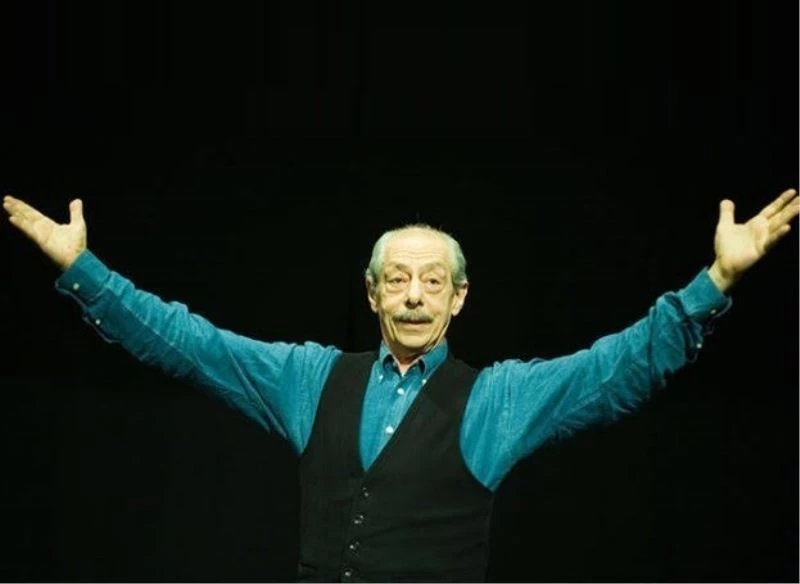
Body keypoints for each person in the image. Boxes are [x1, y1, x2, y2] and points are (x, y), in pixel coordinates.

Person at [3, 189, 799, 582]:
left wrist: (717, 280)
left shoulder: (496, 401)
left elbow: (615, 368)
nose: (414, 296)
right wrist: (85, 271)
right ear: (373, 293)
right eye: (397, 280)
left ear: (459, 298)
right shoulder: (311, 378)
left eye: (432, 282)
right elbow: (191, 345)